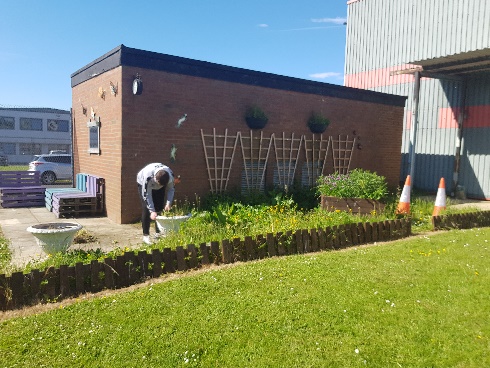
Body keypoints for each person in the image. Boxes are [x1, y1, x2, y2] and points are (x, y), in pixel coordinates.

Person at [136, 163, 175, 244]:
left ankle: (158, 233)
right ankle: (146, 236)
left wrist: (168, 203)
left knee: (159, 206)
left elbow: (171, 189)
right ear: (155, 178)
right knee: (146, 209)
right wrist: (152, 210)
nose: (159, 186)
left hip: (158, 181)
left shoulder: (170, 176)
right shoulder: (148, 177)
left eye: (162, 185)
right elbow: (147, 195)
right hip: (143, 183)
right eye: (158, 184)